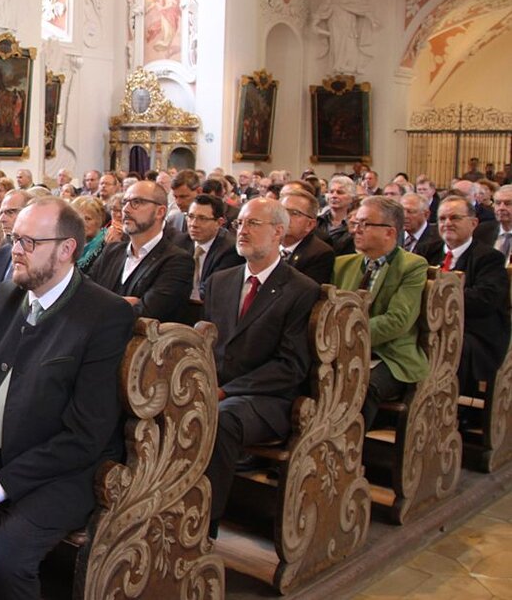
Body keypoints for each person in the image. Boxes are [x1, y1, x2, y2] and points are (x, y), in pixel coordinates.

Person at [0, 197, 134, 597]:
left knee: (5, 561)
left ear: (66, 249)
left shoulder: (104, 314)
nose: (15, 251)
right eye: (14, 239)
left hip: (64, 469)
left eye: (29, 242)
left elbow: (87, 434)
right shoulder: (5, 295)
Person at [202, 197, 321, 536]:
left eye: (253, 223)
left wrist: (226, 390)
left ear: (279, 232)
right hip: (218, 387)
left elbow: (289, 366)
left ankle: (203, 526)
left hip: (269, 398)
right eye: (239, 223)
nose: (242, 230)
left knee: (221, 419)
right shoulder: (221, 281)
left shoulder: (300, 289)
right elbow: (207, 346)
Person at [332, 196, 429, 427]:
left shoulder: (412, 266)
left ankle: (351, 443)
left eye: (365, 224)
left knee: (362, 385)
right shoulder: (342, 264)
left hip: (390, 354)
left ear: (390, 232)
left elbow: (398, 320)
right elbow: (331, 309)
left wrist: (349, 336)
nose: (356, 230)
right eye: (355, 223)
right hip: (342, 349)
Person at [437, 195, 511, 397]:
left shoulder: (489, 258)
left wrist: (438, 298)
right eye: (442, 219)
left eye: (455, 218)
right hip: (431, 326)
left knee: (448, 345)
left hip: (474, 330)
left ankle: (449, 405)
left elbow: (484, 300)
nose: (447, 223)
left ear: (473, 223)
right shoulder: (426, 251)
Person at [90, 180, 193, 323]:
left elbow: (146, 313)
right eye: (125, 202)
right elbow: (82, 295)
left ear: (160, 212)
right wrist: (125, 302)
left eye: (136, 202)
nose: (126, 209)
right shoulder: (112, 251)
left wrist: (98, 303)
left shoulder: (177, 261)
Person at [173, 194, 244, 302]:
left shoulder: (230, 250)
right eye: (191, 216)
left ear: (219, 223)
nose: (193, 224)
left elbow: (212, 290)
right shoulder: (179, 242)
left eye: (202, 218)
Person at [312, 0, 380, 75]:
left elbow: (364, 8)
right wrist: (314, 23)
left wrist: (373, 20)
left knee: (349, 46)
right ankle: (337, 68)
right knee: (336, 46)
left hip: (348, 25)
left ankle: (348, 67)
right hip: (334, 25)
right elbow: (321, 10)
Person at [280, 189, 335, 285]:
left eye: (294, 213)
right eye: (282, 211)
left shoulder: (320, 253)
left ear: (310, 224)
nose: (285, 217)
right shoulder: (264, 243)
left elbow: (303, 290)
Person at [0, 188, 32, 287]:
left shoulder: (37, 256)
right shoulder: (1, 254)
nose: (1, 219)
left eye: (10, 212)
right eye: (1, 213)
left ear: (30, 212)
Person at [69, 195, 107, 275]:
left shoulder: (106, 244)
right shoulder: (71, 242)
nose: (82, 223)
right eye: (79, 218)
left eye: (88, 219)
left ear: (100, 220)